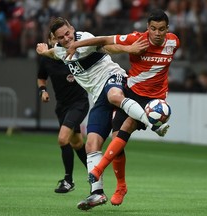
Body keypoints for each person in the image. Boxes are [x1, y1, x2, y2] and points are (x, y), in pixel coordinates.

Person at [36, 17, 168, 211]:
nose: (67, 38)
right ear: (55, 39)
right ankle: (97, 193)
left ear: (72, 29)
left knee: (115, 96)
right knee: (91, 144)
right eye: (61, 37)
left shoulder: (85, 39)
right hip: (98, 96)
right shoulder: (60, 50)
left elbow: (107, 46)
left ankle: (154, 123)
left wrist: (129, 49)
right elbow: (53, 53)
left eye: (68, 33)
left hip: (113, 78)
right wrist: (43, 51)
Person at [66, 9, 180, 208]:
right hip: (132, 93)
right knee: (116, 138)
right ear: (147, 28)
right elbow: (103, 40)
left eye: (162, 29)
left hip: (153, 101)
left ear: (167, 29)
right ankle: (121, 186)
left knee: (127, 126)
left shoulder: (174, 42)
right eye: (153, 28)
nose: (157, 33)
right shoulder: (136, 39)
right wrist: (76, 44)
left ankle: (99, 169)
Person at [37, 32, 89, 193]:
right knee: (77, 143)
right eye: (55, 39)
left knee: (62, 139)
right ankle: (95, 171)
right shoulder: (46, 59)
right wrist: (43, 91)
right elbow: (41, 77)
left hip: (79, 103)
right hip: (62, 106)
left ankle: (68, 180)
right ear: (50, 41)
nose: (58, 42)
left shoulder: (73, 54)